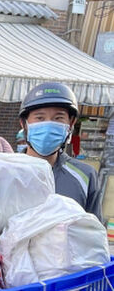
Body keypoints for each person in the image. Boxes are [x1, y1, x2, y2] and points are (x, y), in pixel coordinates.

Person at [19, 82, 102, 221]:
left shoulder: (85, 176)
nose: (48, 124)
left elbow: (94, 235)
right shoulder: (4, 172)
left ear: (70, 124)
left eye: (58, 118)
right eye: (39, 118)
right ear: (23, 123)